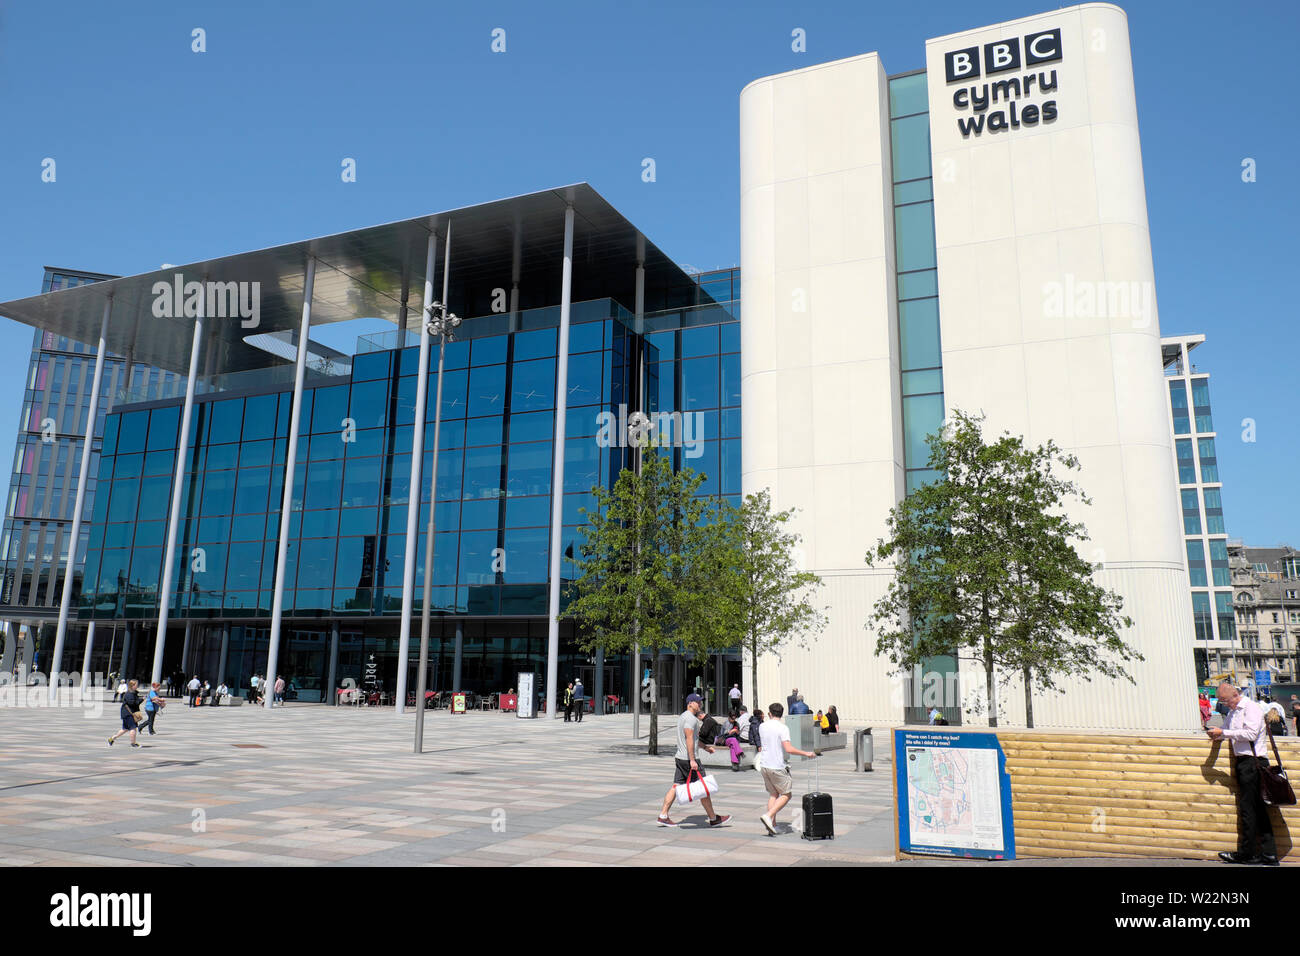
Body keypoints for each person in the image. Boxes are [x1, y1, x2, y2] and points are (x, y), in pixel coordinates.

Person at [1207, 681, 1278, 866]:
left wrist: (1224, 732)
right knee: (1258, 810)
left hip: (1253, 763)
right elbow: (1228, 731)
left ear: (1234, 696)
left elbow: (1250, 734)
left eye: (1224, 700)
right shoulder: (1233, 711)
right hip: (1246, 763)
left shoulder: (1250, 708)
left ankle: (1249, 854)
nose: (1223, 704)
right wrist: (1219, 734)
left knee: (1250, 809)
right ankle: (1268, 854)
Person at [657, 693, 731, 828]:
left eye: (701, 702)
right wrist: (692, 760)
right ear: (690, 703)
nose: (700, 705)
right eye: (698, 702)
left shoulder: (683, 717)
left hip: (680, 757)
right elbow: (689, 739)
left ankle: (663, 815)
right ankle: (713, 818)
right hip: (689, 759)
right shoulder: (691, 719)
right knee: (703, 787)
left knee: (676, 786)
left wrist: (705, 747)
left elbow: (694, 740)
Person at [758, 702, 817, 835]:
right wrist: (806, 753)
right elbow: (788, 749)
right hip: (777, 765)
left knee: (773, 794)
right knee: (786, 794)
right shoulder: (783, 728)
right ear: (782, 713)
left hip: (764, 764)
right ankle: (769, 815)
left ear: (769, 713)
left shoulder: (762, 726)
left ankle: (772, 825)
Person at [109, 679, 144, 748]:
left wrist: (140, 698)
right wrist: (141, 699)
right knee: (133, 728)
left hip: (126, 713)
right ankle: (133, 743)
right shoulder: (129, 694)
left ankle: (112, 738)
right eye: (136, 685)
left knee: (125, 729)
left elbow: (134, 701)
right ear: (132, 685)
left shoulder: (132, 693)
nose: (137, 686)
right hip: (129, 714)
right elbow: (132, 703)